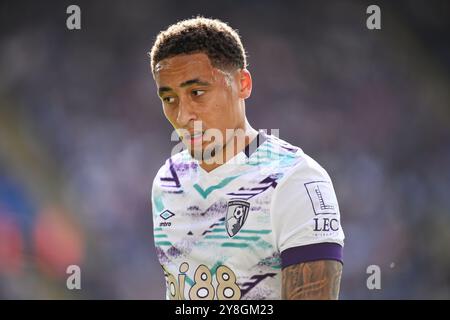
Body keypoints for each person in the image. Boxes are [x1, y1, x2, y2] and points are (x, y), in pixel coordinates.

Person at [149, 17, 344, 300]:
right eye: (169, 98)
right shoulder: (167, 182)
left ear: (242, 84)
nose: (182, 115)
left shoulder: (295, 180)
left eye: (197, 92)